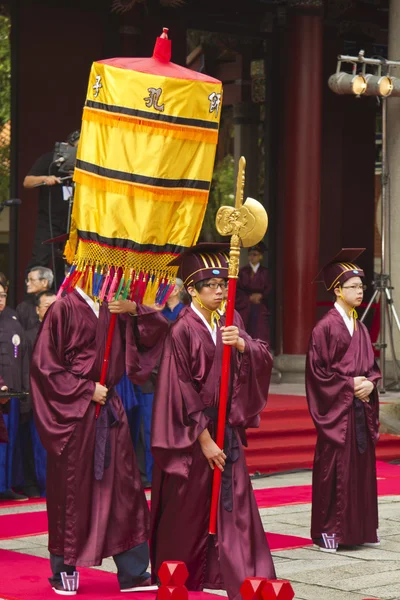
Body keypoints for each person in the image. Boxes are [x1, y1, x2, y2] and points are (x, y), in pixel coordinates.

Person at [150, 243, 276, 600]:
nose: (220, 292)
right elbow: (179, 391)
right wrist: (204, 440)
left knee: (234, 507)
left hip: (228, 429)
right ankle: (180, 578)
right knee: (187, 511)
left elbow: (261, 355)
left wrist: (243, 347)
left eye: (223, 286)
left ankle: (241, 576)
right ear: (191, 289)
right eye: (211, 286)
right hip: (191, 437)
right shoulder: (182, 330)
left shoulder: (230, 318)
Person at [30, 285, 169, 595]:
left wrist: (133, 309)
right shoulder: (62, 308)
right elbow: (44, 366)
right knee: (71, 493)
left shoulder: (113, 306)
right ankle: (63, 570)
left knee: (125, 490)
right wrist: (83, 390)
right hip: (75, 417)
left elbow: (155, 333)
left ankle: (133, 572)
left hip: (109, 409)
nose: (105, 273)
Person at [306, 248, 381, 552]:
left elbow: (372, 369)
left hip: (358, 410)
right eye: (353, 286)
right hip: (338, 414)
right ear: (337, 289)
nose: (360, 291)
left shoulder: (360, 327)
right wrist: (350, 385)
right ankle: (330, 531)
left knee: (360, 472)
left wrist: (371, 385)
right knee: (334, 471)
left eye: (362, 286)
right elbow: (316, 374)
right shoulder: (325, 327)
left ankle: (359, 529)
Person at [23, 131, 80, 287]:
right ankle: (34, 302)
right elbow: (27, 182)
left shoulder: (84, 164)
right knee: (40, 259)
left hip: (73, 223)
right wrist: (44, 178)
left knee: (68, 263)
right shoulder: (50, 160)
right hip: (49, 222)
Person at [0, 281, 30, 501]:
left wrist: (25, 391)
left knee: (9, 442)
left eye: (1, 295)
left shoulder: (13, 320)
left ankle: (6, 485)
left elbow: (25, 359)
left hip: (12, 394)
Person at [235, 242, 271, 343]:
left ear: (260, 256)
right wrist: (248, 298)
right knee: (245, 331)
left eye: (255, 254)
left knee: (260, 332)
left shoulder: (265, 272)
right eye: (250, 254)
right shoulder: (242, 271)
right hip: (245, 305)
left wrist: (261, 296)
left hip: (260, 305)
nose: (252, 257)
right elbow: (238, 290)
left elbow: (269, 289)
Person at [17, 266, 54, 332]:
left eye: (32, 280)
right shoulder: (23, 307)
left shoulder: (57, 302)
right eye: (27, 280)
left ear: (44, 282)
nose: (28, 284)